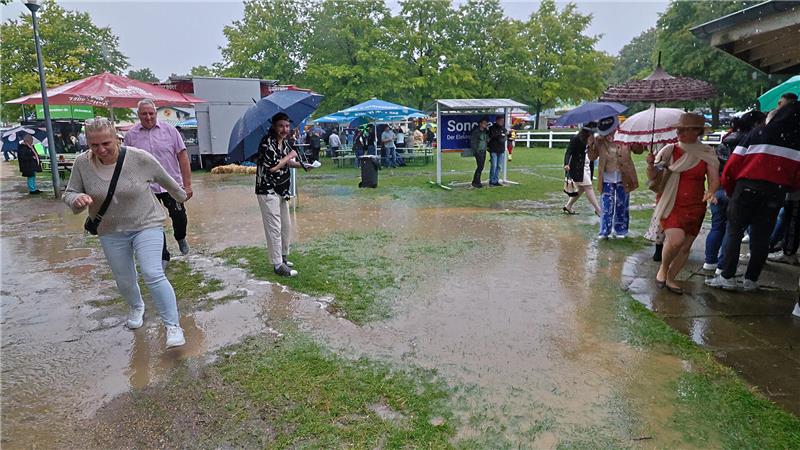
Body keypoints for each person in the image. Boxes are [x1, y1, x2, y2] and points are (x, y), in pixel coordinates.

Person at [63, 117, 188, 348]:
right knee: (124, 277)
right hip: (110, 229)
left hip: (146, 223)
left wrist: (181, 197)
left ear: (117, 139)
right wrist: (77, 199)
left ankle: (173, 326)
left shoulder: (139, 158)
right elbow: (69, 192)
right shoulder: (82, 163)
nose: (101, 150)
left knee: (152, 272)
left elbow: (166, 180)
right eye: (94, 145)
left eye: (106, 143)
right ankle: (136, 306)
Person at [707, 103, 800, 291]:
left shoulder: (758, 133)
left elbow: (733, 165)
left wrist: (731, 190)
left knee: (734, 232)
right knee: (761, 237)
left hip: (746, 189)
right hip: (775, 194)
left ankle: (727, 276)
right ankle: (751, 280)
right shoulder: (796, 141)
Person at [647, 113, 719, 295]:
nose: (679, 132)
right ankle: (663, 268)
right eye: (678, 129)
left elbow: (713, 178)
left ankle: (671, 278)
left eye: (684, 129)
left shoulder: (707, 152)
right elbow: (653, 177)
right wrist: (650, 165)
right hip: (671, 202)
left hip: (696, 205)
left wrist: (711, 191)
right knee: (676, 240)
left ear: (697, 131)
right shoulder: (669, 150)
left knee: (685, 247)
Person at [123, 99, 193, 266]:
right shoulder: (131, 136)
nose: (148, 117)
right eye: (144, 114)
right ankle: (163, 256)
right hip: (146, 187)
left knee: (179, 216)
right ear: (138, 115)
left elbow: (183, 157)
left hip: (171, 183)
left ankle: (181, 237)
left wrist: (188, 184)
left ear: (155, 113)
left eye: (151, 113)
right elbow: (126, 163)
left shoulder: (170, 131)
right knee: (153, 223)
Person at [703, 111, 766, 273]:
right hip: (738, 191)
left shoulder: (724, 142)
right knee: (732, 231)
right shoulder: (752, 144)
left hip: (719, 188)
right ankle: (723, 266)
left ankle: (709, 261)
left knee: (717, 226)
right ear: (755, 125)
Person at [255, 112, 314, 278]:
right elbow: (273, 167)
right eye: (281, 126)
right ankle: (277, 265)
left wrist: (303, 165)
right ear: (274, 126)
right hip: (267, 190)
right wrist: (289, 155)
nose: (284, 129)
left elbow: (287, 163)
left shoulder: (285, 143)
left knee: (285, 225)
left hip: (282, 189)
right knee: (274, 227)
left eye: (287, 126)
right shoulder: (267, 143)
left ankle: (283, 257)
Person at [592, 116, 638, 239]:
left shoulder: (625, 136)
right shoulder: (599, 140)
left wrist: (635, 140)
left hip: (624, 177)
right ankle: (605, 231)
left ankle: (621, 230)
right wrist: (592, 143)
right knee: (607, 205)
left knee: (622, 204)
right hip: (606, 178)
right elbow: (592, 157)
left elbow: (638, 150)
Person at [563, 123, 601, 215]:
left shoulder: (593, 138)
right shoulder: (576, 138)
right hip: (577, 167)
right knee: (588, 187)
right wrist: (566, 163)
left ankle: (568, 206)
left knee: (581, 189)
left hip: (588, 166)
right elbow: (569, 152)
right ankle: (598, 209)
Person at [470, 117, 490, 188]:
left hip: (483, 150)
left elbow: (487, 140)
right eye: (484, 123)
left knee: (481, 167)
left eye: (486, 123)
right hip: (478, 151)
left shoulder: (485, 131)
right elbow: (473, 142)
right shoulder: (476, 132)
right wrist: (476, 151)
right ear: (480, 124)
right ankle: (476, 182)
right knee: (480, 166)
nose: (485, 124)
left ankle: (477, 181)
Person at [487, 116, 508, 186]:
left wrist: (509, 135)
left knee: (499, 166)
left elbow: (505, 137)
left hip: (501, 150)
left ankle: (496, 180)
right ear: (497, 121)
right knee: (494, 165)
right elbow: (493, 136)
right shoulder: (491, 128)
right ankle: (491, 181)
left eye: (503, 121)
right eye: (501, 121)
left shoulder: (504, 129)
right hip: (493, 149)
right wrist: (500, 135)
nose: (502, 122)